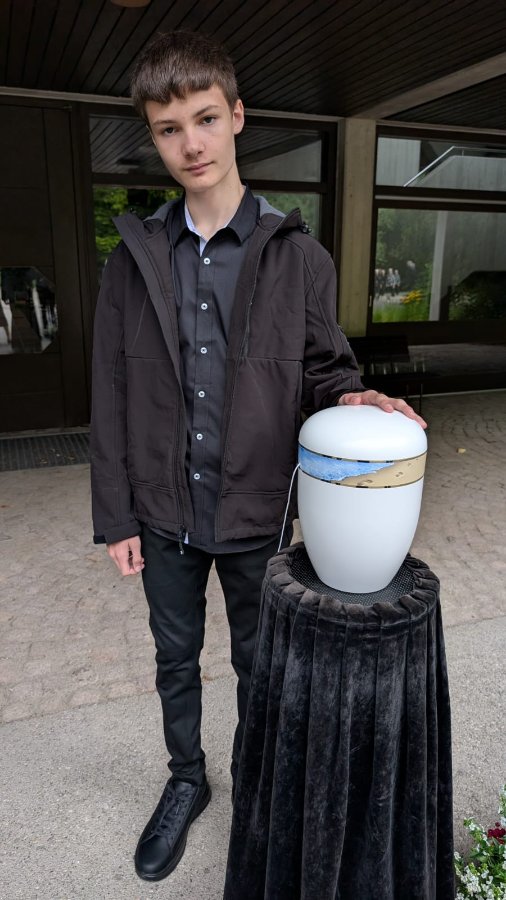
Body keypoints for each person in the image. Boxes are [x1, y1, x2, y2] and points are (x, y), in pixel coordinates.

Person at [90, 30, 427, 884]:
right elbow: (111, 394)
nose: (191, 143)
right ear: (154, 138)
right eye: (169, 129)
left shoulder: (298, 255)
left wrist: (354, 398)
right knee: (174, 660)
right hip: (162, 511)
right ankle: (186, 781)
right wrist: (116, 516)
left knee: (259, 664)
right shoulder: (132, 261)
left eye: (206, 119)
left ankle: (256, 785)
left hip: (256, 509)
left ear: (237, 116)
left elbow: (325, 371)